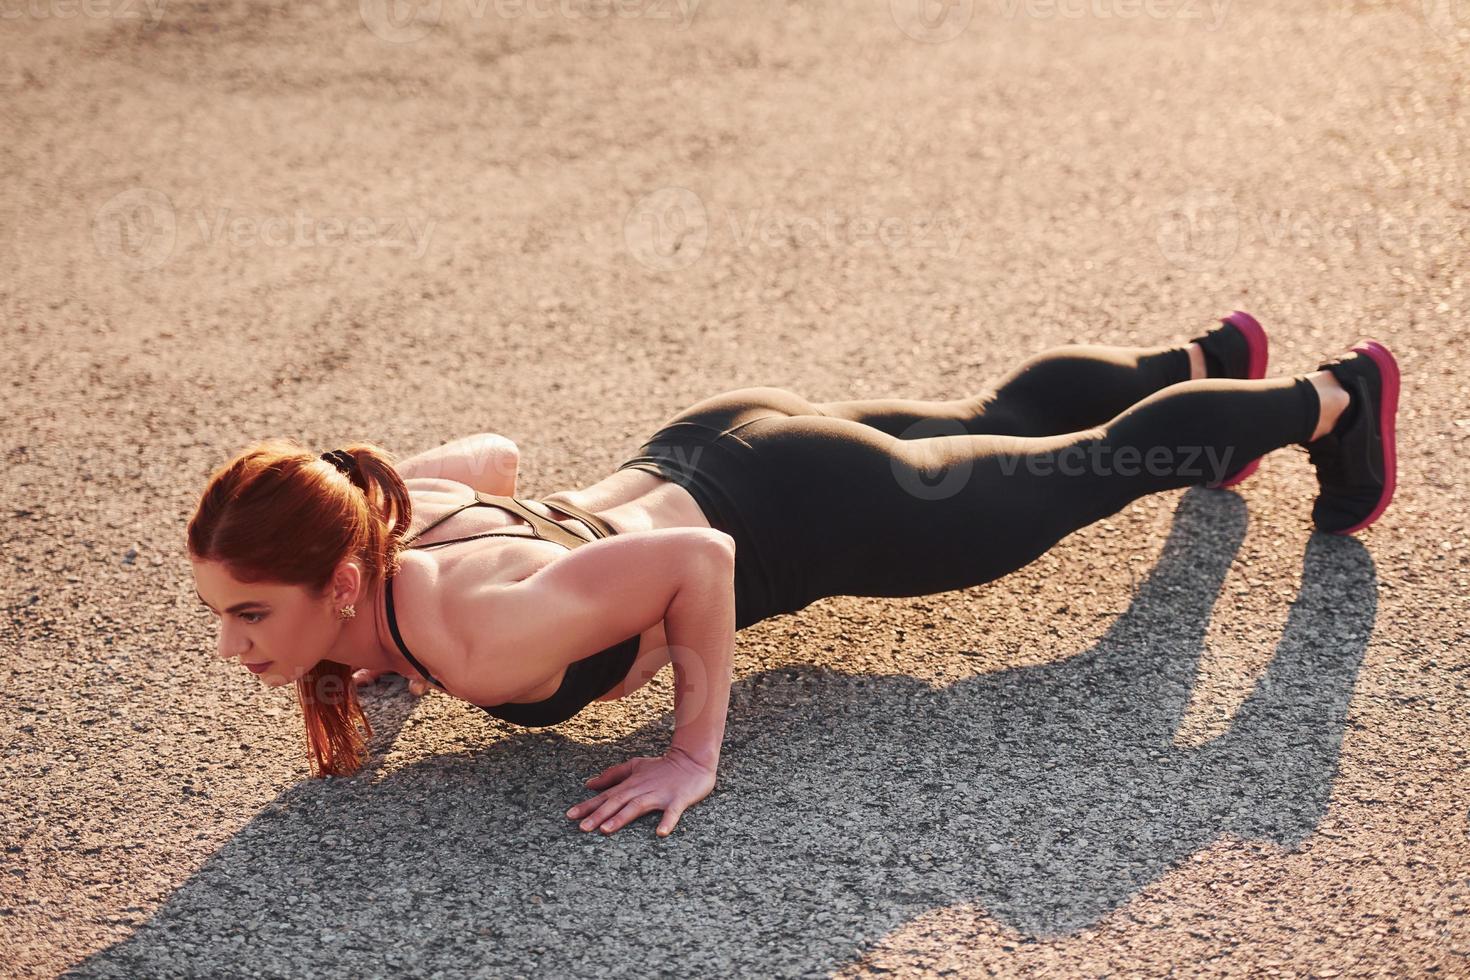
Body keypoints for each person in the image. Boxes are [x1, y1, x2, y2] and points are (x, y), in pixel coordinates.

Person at [186, 312, 1399, 838]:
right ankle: (1206, 356)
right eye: (223, 611)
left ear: (341, 576)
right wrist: (377, 649)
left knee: (1071, 472)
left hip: (794, 507)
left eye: (253, 612)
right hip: (720, 433)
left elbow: (698, 560)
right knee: (992, 419)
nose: (234, 643)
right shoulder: (392, 511)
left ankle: (1330, 397)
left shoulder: (479, 637)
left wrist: (694, 747)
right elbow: (492, 457)